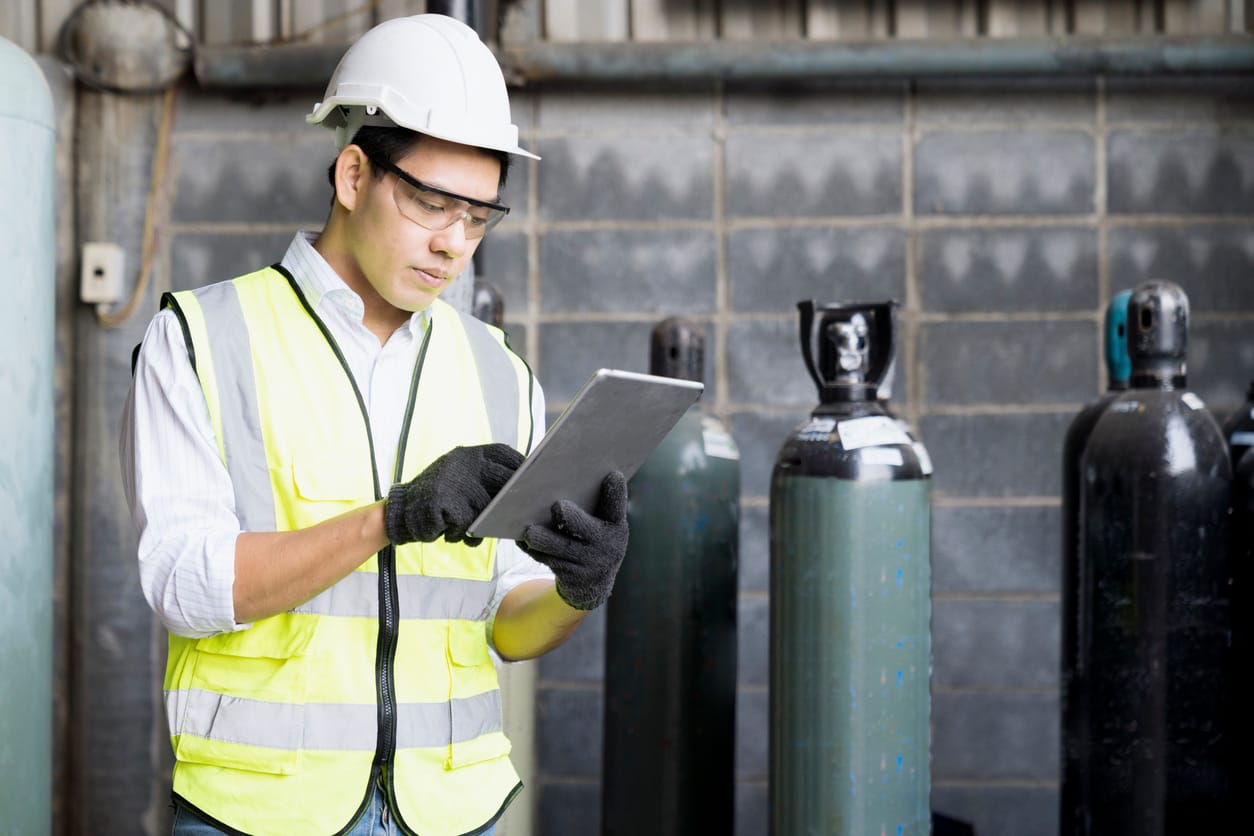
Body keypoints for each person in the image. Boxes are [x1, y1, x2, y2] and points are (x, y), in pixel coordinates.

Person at [120, 14, 629, 836]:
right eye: (432, 204)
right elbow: (184, 584)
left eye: (478, 217)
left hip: (454, 814)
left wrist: (578, 590)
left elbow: (505, 621)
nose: (453, 243)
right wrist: (389, 520)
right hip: (260, 814)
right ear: (354, 175)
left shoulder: (501, 372)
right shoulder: (203, 341)